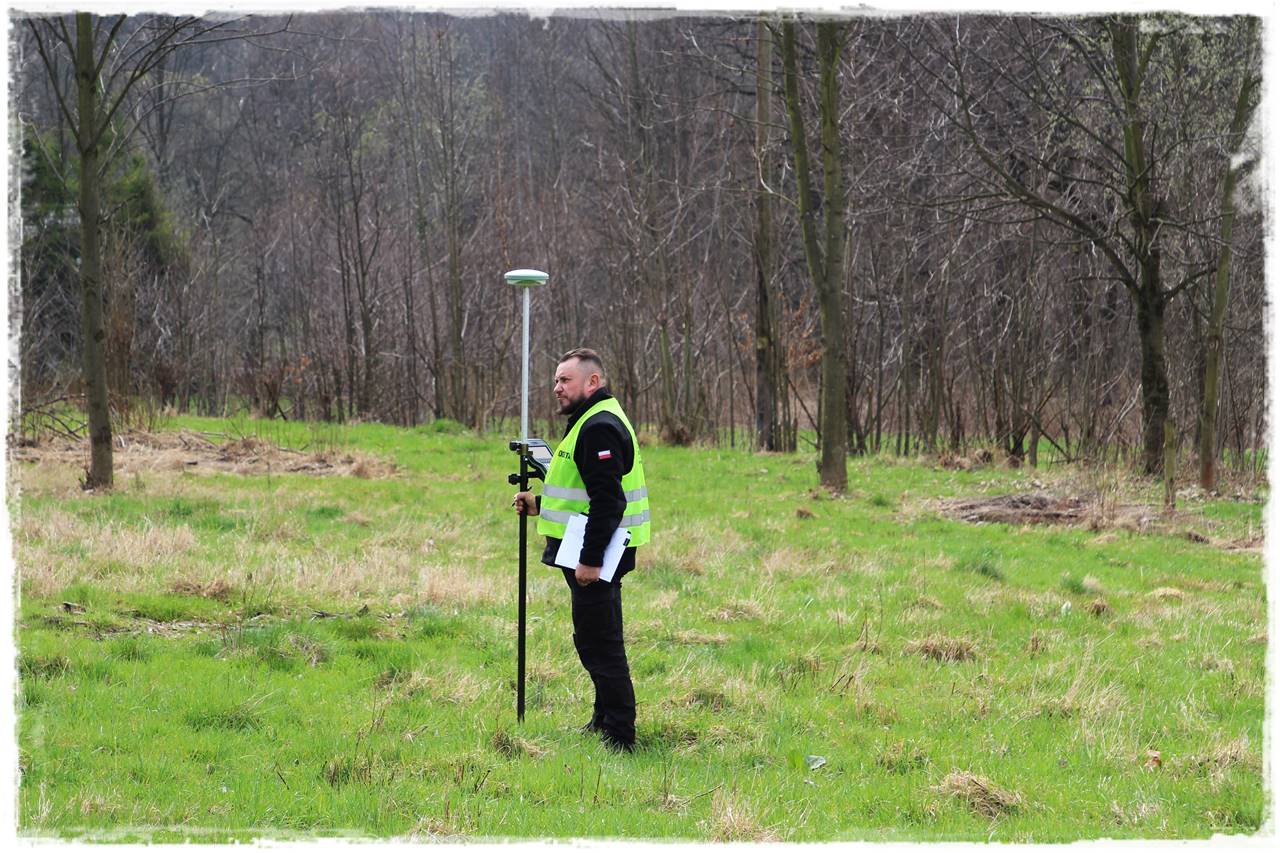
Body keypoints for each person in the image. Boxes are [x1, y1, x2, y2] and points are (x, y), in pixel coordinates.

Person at [512, 348, 650, 752]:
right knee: (597, 639)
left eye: (565, 380)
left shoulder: (599, 427)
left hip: (596, 554)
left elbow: (608, 501)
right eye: (555, 380)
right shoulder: (591, 420)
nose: (557, 387)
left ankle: (619, 737)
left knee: (600, 645)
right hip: (593, 547)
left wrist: (590, 560)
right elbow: (584, 492)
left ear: (593, 381)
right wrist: (540, 505)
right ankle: (603, 719)